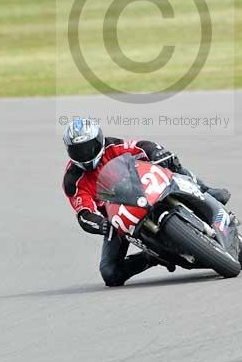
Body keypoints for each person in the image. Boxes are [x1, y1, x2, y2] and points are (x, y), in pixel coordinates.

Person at [62, 116, 231, 287]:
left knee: (171, 163)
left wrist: (156, 152)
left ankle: (206, 190)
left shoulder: (112, 146)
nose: (85, 154)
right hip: (118, 219)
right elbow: (84, 213)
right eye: (78, 150)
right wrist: (101, 224)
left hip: (142, 191)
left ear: (99, 140)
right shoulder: (72, 181)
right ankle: (152, 257)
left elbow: (141, 146)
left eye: (89, 147)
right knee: (110, 273)